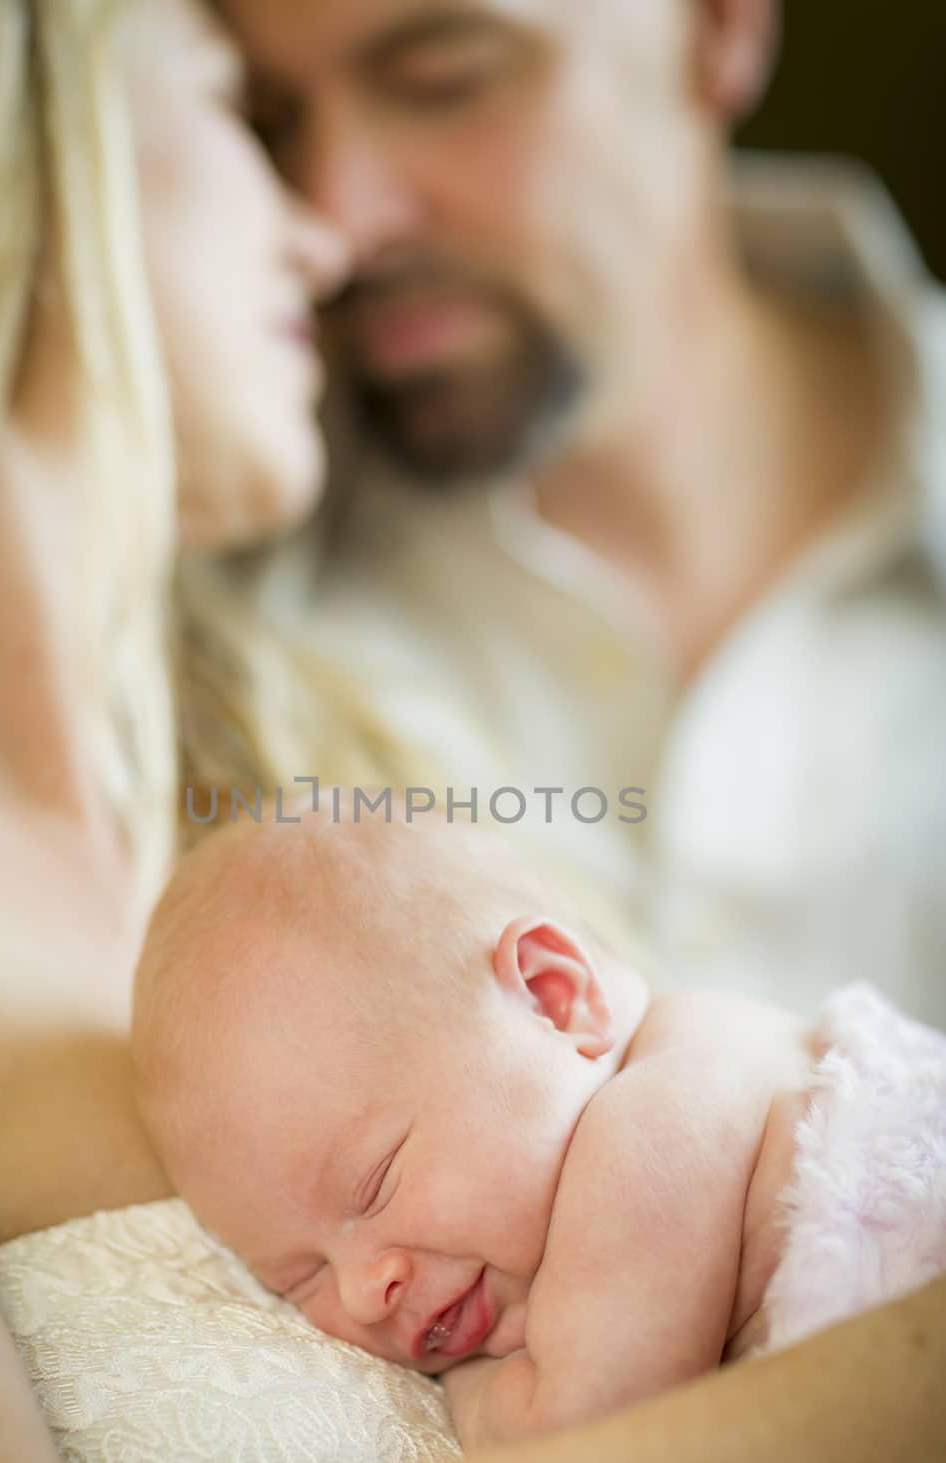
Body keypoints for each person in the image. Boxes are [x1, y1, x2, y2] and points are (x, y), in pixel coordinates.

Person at [0, 3, 944, 1463]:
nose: (326, 228)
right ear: (26, 164)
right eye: (248, 121)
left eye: (437, 78)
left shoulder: (338, 771)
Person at [224, 0, 946, 1029]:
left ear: (716, 30)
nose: (332, 216)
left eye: (443, 80)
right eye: (269, 119)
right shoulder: (222, 605)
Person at [131, 803, 946, 1452]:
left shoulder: (662, 1114)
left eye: (374, 1183)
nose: (359, 1291)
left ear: (555, 1000)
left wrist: (468, 1394)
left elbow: (583, 1446)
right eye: (297, 1279)